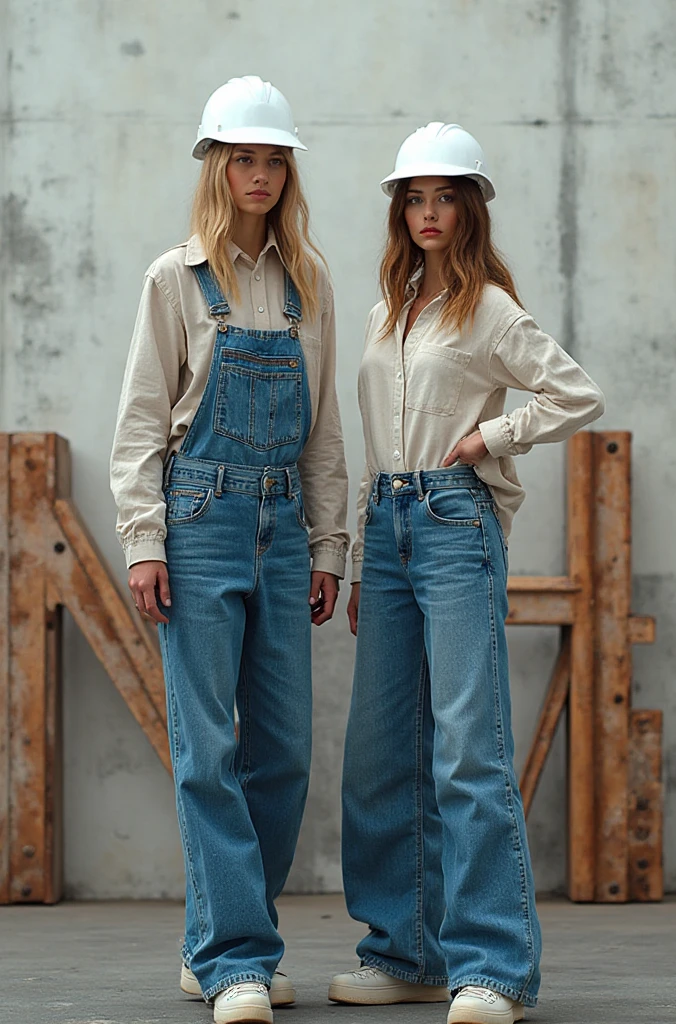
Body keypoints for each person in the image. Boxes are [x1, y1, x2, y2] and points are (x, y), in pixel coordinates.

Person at [329, 122, 604, 1024]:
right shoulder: (386, 310)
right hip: (389, 526)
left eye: (446, 196)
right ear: (399, 210)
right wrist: (366, 560)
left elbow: (576, 393)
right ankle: (406, 952)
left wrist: (497, 433)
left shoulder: (487, 308)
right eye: (415, 197)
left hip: (455, 520)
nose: (429, 212)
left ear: (470, 207)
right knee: (377, 756)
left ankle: (492, 968)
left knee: (466, 749)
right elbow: (372, 448)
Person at [110, 76, 349, 1024]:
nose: (259, 173)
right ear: (218, 167)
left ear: (288, 171)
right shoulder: (175, 279)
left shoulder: (309, 282)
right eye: (243, 157)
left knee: (283, 752)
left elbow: (325, 431)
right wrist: (142, 540)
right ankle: (237, 959)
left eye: (273, 159)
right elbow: (138, 423)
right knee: (207, 748)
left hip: (285, 530)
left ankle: (217, 939)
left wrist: (330, 543)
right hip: (198, 521)